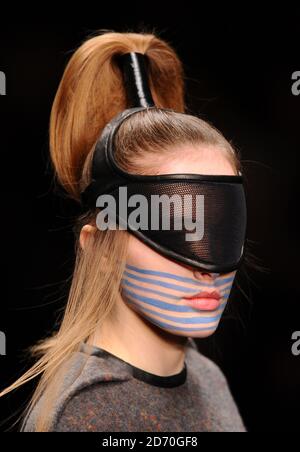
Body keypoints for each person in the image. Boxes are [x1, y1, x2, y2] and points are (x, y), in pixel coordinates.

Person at [0, 30, 248, 432]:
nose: (208, 268)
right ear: (98, 246)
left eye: (221, 225)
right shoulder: (91, 412)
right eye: (171, 226)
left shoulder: (207, 378)